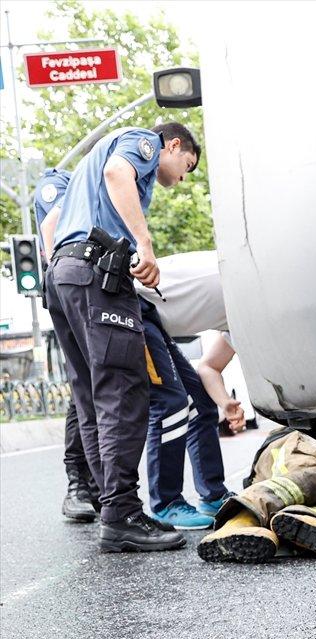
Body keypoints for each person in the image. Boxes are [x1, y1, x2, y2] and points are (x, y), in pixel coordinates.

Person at [43, 122, 200, 552]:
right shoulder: (140, 141)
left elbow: (52, 222)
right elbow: (118, 173)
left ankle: (111, 505)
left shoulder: (83, 170)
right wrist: (143, 245)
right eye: (186, 166)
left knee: (92, 397)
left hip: (63, 275)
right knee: (123, 392)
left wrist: (66, 269)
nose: (182, 179)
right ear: (173, 145)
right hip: (94, 275)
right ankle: (121, 514)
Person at [133, 252, 232, 530]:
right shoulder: (236, 275)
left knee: (201, 402)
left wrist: (225, 403)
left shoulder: (247, 316)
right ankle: (166, 504)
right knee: (171, 403)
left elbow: (209, 367)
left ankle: (214, 495)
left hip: (157, 323)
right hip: (133, 306)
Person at [34, 167, 99, 523]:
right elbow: (51, 228)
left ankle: (95, 484)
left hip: (76, 284)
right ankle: (78, 485)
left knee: (91, 386)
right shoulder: (59, 182)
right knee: (83, 389)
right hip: (69, 283)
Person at [197, 429, 316, 563]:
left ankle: (301, 517)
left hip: (267, 467)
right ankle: (242, 516)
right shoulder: (301, 438)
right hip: (294, 441)